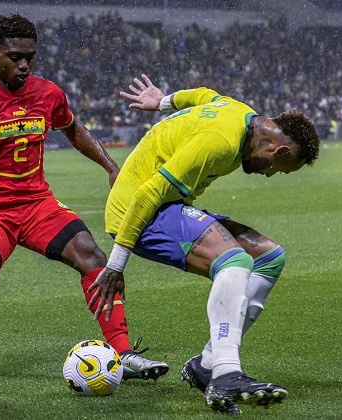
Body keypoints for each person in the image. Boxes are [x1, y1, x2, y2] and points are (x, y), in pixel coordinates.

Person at [0, 14, 168, 381]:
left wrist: (111, 166)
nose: (23, 65)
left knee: (94, 257)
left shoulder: (48, 93)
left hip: (38, 205)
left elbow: (74, 129)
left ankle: (122, 351)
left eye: (30, 57)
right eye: (15, 57)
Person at [88, 74, 320, 413]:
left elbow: (203, 95)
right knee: (236, 262)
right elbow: (149, 193)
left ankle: (207, 364)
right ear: (278, 148)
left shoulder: (238, 112)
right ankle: (227, 373)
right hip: (137, 212)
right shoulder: (219, 143)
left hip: (168, 205)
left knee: (270, 258)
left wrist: (162, 101)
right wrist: (116, 264)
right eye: (279, 168)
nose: (270, 173)